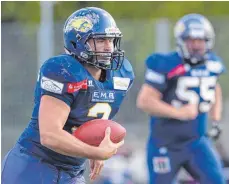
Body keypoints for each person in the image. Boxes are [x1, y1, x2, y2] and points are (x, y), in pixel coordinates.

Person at [2, 7, 134, 184]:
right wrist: (94, 152)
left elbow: (92, 122)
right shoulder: (63, 70)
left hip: (72, 171)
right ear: (78, 43)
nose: (109, 47)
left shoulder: (121, 74)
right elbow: (50, 135)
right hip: (34, 165)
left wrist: (95, 144)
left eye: (111, 39)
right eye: (100, 40)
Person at [137, 13, 226, 184]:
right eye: (192, 40)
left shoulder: (212, 64)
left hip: (197, 143)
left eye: (201, 40)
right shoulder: (166, 63)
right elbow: (145, 101)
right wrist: (178, 112)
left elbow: (214, 88)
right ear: (181, 40)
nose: (196, 45)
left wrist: (215, 120)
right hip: (165, 145)